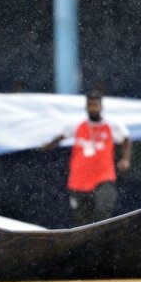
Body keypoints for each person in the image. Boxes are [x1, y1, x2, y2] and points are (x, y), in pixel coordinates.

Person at [43, 91, 132, 226]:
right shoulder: (77, 125)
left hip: (103, 177)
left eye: (95, 105)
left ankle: (102, 233)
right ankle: (87, 242)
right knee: (81, 221)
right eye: (90, 105)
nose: (93, 108)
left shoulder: (111, 126)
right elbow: (60, 137)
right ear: (86, 107)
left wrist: (125, 159)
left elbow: (126, 139)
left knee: (103, 210)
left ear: (101, 106)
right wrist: (46, 146)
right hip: (79, 181)